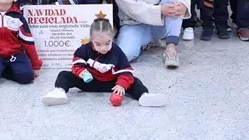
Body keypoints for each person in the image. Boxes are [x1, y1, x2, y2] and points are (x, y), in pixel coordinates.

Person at [40, 18, 168, 107]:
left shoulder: (117, 52)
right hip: (88, 82)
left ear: (112, 38)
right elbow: (76, 64)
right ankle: (59, 92)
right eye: (98, 44)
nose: (103, 48)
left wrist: (121, 85)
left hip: (111, 85)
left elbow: (126, 72)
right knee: (63, 75)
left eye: (107, 43)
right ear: (91, 40)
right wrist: (82, 73)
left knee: (134, 81)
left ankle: (144, 96)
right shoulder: (85, 49)